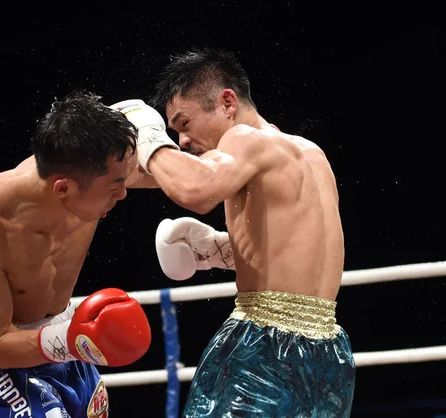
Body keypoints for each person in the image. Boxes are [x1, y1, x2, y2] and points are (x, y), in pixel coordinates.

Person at [110, 48, 356, 416]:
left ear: (227, 102)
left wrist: (145, 135)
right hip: (329, 353)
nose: (181, 141)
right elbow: (304, 252)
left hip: (263, 345)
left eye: (184, 123)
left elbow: (196, 190)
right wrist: (219, 249)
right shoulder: (311, 155)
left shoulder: (245, 139)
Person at [0, 90, 154, 418]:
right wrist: (75, 338)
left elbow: (193, 181)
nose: (124, 193)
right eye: (115, 186)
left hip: (65, 338)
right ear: (63, 188)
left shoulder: (96, 162)